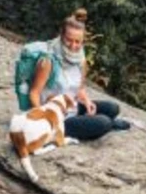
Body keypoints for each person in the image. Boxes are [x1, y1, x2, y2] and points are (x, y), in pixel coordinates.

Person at [28, 9, 129, 140]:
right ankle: (107, 125)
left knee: (113, 108)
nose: (73, 45)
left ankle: (92, 122)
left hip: (72, 108)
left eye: (78, 41)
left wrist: (87, 102)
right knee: (104, 122)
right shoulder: (48, 60)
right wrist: (41, 117)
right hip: (55, 117)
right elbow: (34, 93)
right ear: (61, 36)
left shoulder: (80, 60)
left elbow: (79, 88)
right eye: (69, 40)